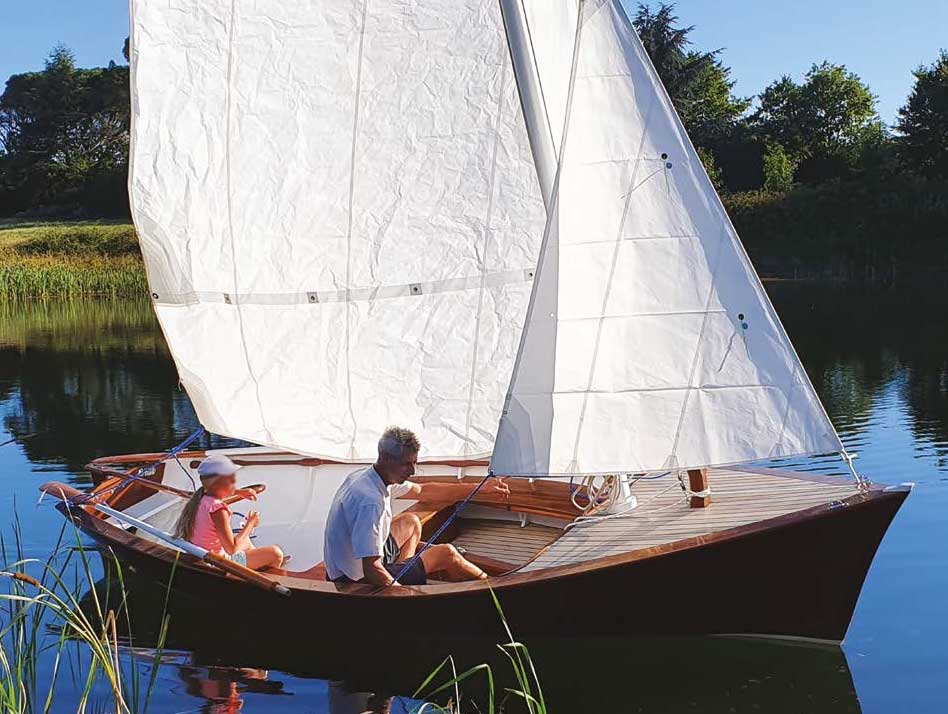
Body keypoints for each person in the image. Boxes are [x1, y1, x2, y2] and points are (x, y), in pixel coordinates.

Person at [323, 426, 509, 586]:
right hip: (355, 583)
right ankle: (495, 586)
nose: (412, 471)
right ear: (386, 458)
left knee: (411, 522)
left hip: (344, 568)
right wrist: (403, 595)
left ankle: (405, 570)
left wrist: (481, 488)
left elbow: (422, 491)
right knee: (447, 553)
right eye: (406, 464)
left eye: (414, 463)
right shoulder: (370, 502)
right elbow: (371, 569)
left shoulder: (368, 476)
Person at [174, 454, 285, 571]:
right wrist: (250, 524)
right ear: (219, 483)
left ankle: (257, 563)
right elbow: (231, 549)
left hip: (205, 554)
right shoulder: (218, 510)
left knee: (245, 541)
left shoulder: (201, 498)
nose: (235, 481)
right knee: (275, 553)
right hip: (219, 563)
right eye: (232, 479)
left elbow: (217, 490)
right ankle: (266, 570)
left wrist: (239, 492)